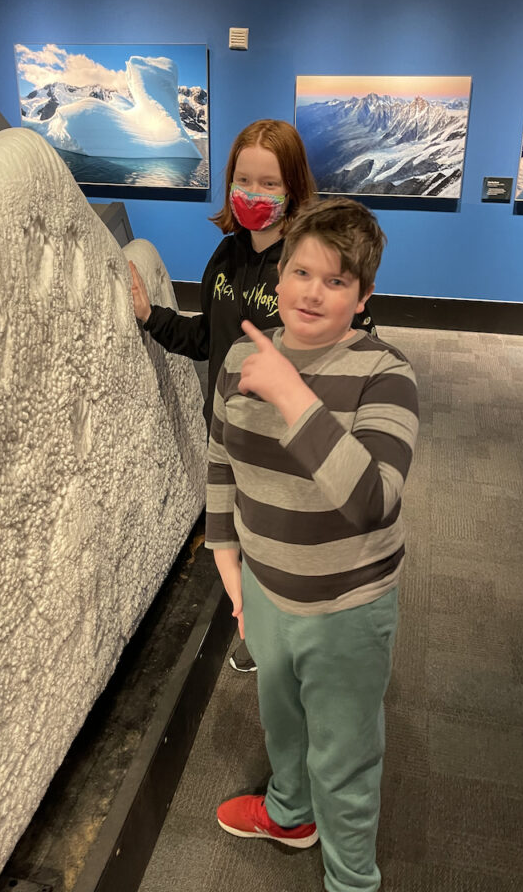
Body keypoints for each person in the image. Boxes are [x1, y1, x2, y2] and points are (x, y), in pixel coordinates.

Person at [205, 197, 419, 892]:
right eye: (302, 272)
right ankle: (291, 814)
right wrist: (229, 566)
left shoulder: (387, 374)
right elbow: (220, 462)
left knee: (346, 756)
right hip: (266, 589)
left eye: (336, 281)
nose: (312, 292)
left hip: (347, 606)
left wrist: (296, 397)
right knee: (283, 725)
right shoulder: (244, 351)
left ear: (364, 298)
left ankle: (352, 879)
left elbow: (372, 500)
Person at [129, 120, 371, 673]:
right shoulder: (225, 256)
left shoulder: (311, 267)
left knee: (286, 547)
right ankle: (258, 628)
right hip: (231, 437)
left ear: (294, 189)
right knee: (241, 543)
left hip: (288, 449)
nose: (253, 196)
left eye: (269, 183)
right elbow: (208, 339)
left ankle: (302, 649)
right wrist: (150, 318)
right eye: (243, 180)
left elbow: (346, 359)